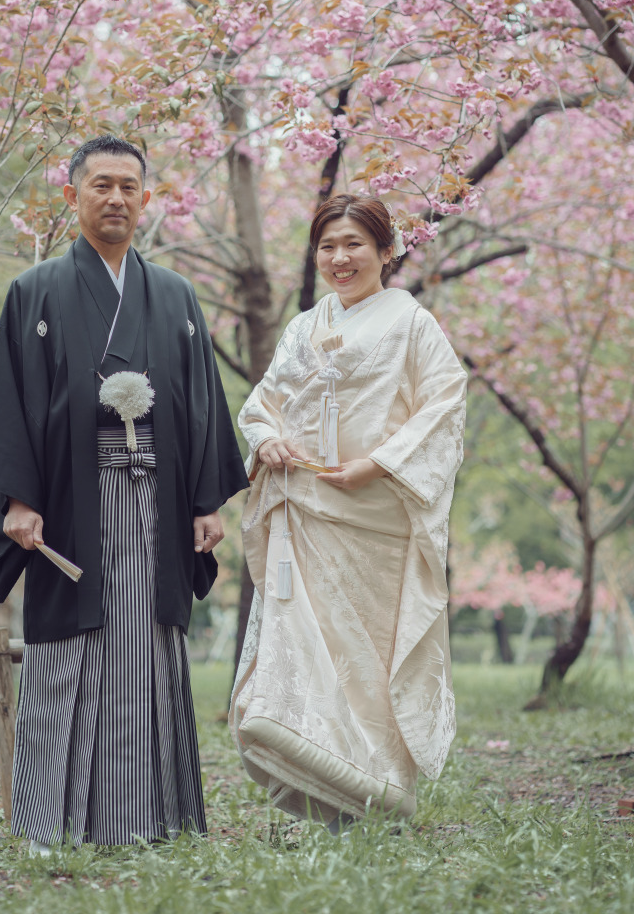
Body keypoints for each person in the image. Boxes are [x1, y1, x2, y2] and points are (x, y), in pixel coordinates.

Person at [0, 134, 248, 851]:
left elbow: (200, 406)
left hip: (156, 500)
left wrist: (205, 501)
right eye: (101, 185)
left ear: (147, 199)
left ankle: (144, 818)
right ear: (72, 195)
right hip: (69, 498)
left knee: (145, 646)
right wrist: (18, 499)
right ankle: (49, 822)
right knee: (68, 649)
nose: (116, 198)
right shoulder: (34, 291)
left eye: (129, 186)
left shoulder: (177, 297)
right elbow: (14, 402)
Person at [229, 194, 466, 827]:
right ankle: (317, 782)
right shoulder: (303, 327)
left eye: (355, 244)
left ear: (386, 252)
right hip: (304, 509)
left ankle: (382, 789)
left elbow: (443, 403)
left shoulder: (413, 324)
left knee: (368, 658)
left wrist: (380, 463)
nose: (340, 258)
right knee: (308, 642)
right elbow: (260, 405)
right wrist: (267, 439)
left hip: (375, 515)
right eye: (328, 246)